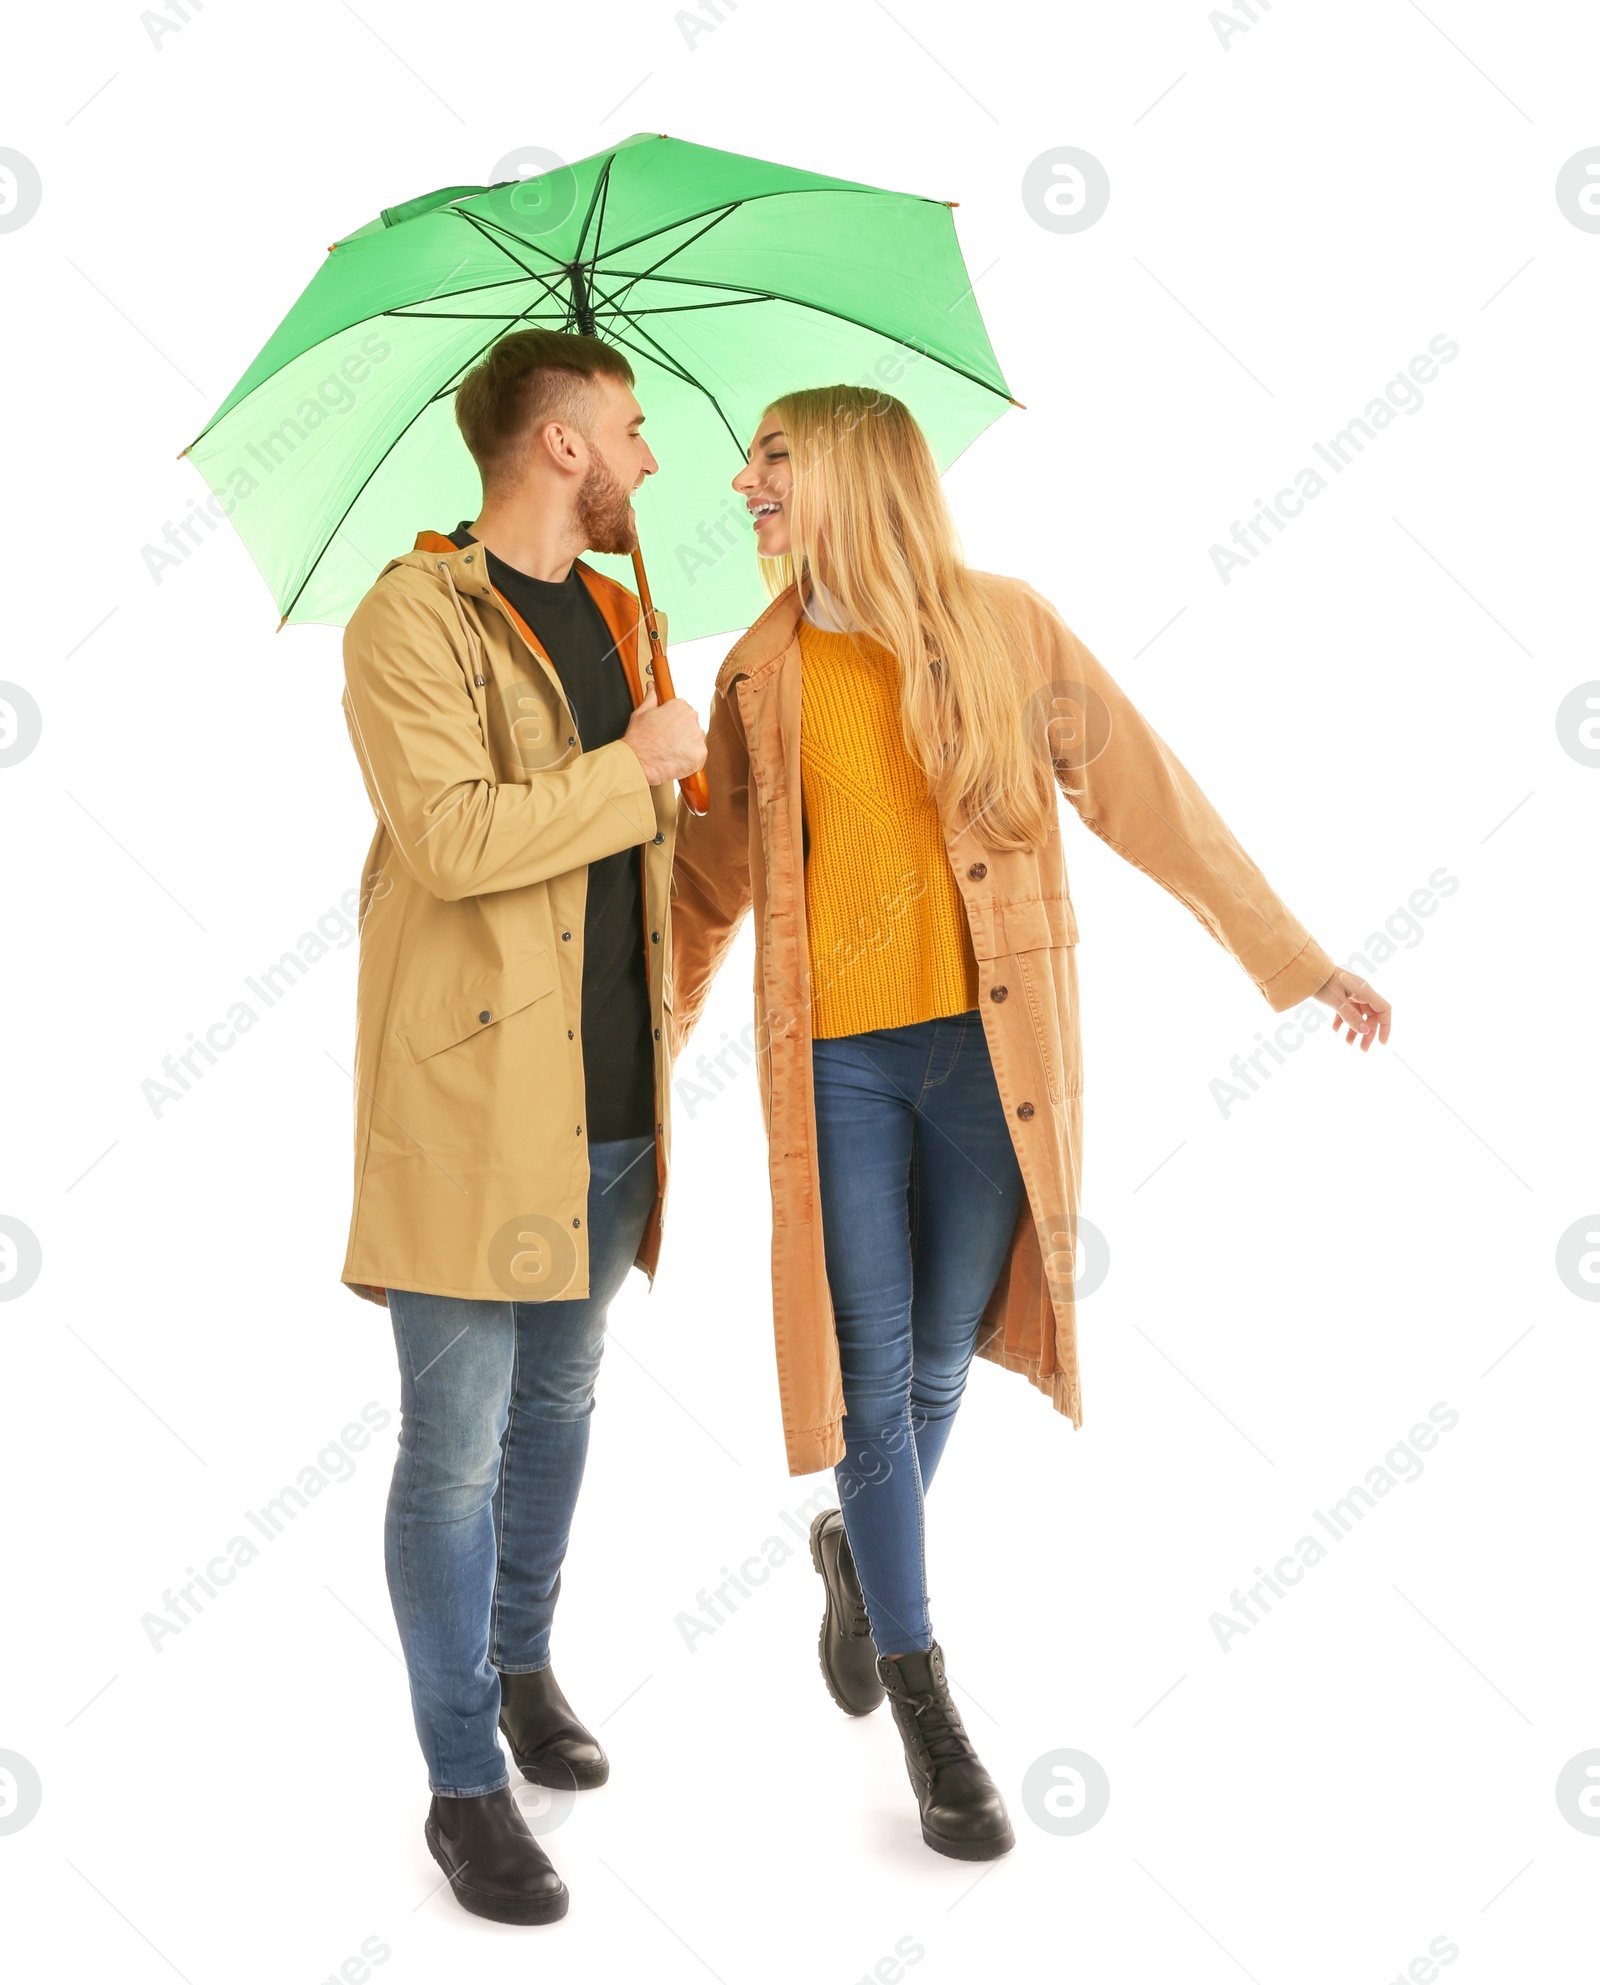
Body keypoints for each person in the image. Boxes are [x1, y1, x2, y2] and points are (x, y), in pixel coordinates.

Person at [669, 384, 1390, 1862]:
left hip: (994, 1061)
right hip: (843, 1071)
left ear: (857, 475)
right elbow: (702, 895)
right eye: (749, 462)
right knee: (876, 1375)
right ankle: (931, 1702)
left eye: (776, 459)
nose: (742, 481)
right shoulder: (756, 670)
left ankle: (857, 1559)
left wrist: (1297, 957)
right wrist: (626, 1068)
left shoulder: (1010, 629)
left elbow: (1152, 803)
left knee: (943, 1353)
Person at [339, 328, 705, 1924]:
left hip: (616, 1108)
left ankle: (521, 1662)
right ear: (560, 445)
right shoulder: (409, 618)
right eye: (629, 426)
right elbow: (453, 837)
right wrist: (634, 765)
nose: (647, 457)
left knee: (560, 1409)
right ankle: (462, 1784)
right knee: (454, 1453)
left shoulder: (629, 613)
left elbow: (647, 859)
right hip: (476, 1109)